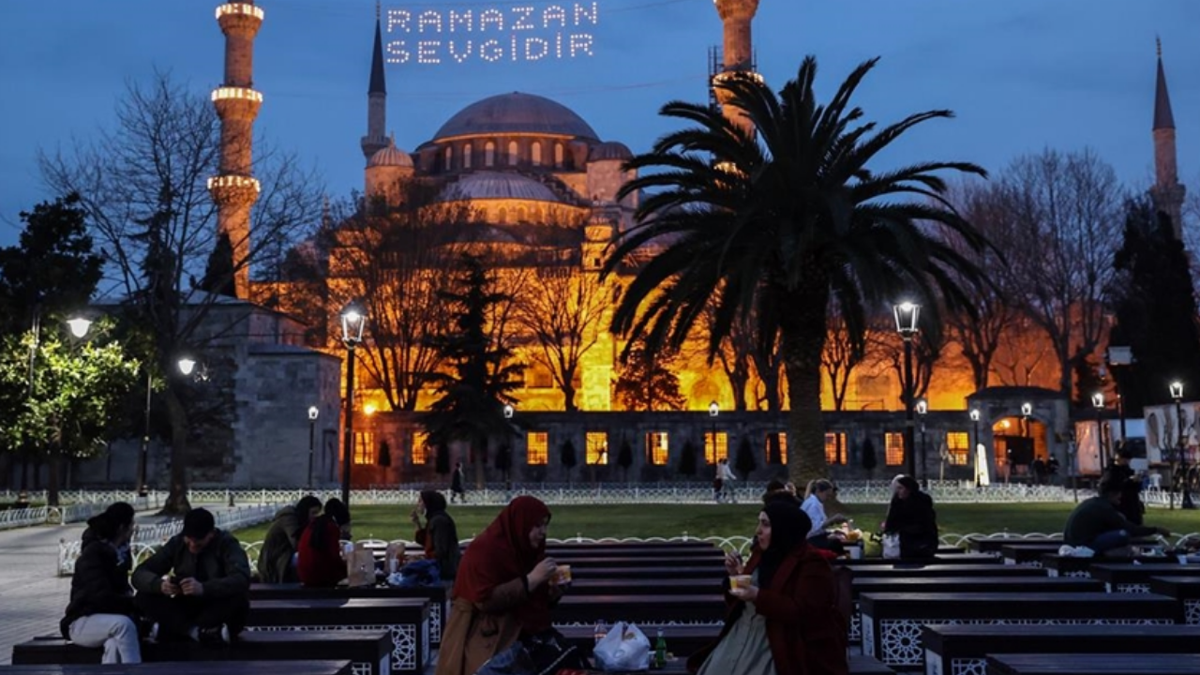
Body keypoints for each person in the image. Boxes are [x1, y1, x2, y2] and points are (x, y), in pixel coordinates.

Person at [688, 501, 848, 675]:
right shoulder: (761, 554)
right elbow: (741, 602)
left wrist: (757, 596)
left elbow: (805, 612)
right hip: (738, 637)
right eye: (759, 523)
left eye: (765, 524)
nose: (758, 530)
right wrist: (735, 576)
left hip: (779, 643)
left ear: (783, 529)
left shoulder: (811, 563)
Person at [436, 496, 569, 675]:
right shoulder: (485, 550)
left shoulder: (525, 550)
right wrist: (531, 580)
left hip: (516, 636)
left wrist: (552, 593)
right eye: (537, 526)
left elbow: (530, 602)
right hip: (480, 636)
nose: (543, 532)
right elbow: (485, 601)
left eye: (545, 525)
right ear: (521, 523)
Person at [132, 508, 251, 644]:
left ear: (211, 534)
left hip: (215, 604)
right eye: (189, 540)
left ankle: (175, 630)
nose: (193, 545)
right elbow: (140, 573)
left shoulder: (227, 544)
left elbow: (241, 578)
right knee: (144, 597)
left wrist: (204, 588)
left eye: (198, 542)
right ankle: (196, 632)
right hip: (185, 604)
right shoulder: (177, 544)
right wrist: (160, 585)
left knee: (238, 600)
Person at [61, 502, 141, 664]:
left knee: (114, 644)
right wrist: (134, 604)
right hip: (81, 621)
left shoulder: (121, 553)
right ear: (121, 528)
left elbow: (122, 591)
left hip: (106, 621)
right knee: (123, 625)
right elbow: (100, 597)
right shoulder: (93, 554)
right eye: (131, 523)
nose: (134, 528)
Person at [1063, 476, 1169, 556]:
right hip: (1083, 545)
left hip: (1074, 541)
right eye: (1119, 493)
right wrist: (1156, 530)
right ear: (1111, 494)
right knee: (1123, 535)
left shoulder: (1094, 503)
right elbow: (1130, 529)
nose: (1121, 496)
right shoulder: (1105, 508)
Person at [256, 494, 322, 583]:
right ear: (305, 511)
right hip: (275, 560)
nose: (315, 517)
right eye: (313, 513)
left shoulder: (302, 521)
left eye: (317, 513)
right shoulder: (289, 519)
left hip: (285, 556)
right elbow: (297, 544)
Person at [297, 498, 352, 588]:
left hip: (305, 574)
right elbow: (334, 557)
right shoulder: (331, 527)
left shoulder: (315, 524)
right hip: (319, 576)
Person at [880, 475, 939, 558]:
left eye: (901, 488)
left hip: (924, 543)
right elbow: (891, 523)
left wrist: (901, 528)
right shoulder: (897, 502)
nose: (898, 491)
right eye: (897, 488)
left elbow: (924, 526)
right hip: (904, 544)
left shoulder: (922, 502)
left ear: (909, 489)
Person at [412, 490, 461, 585]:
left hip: (442, 573)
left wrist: (422, 559)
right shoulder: (434, 519)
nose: (418, 504)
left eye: (420, 501)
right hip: (438, 569)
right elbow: (425, 540)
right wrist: (417, 523)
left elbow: (440, 551)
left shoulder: (439, 521)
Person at [801, 479, 848, 554]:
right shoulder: (813, 505)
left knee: (837, 538)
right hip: (811, 540)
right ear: (818, 491)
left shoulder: (816, 502)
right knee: (835, 543)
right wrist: (832, 520)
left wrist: (831, 530)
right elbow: (815, 528)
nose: (827, 498)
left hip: (814, 537)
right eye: (827, 495)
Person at [1101, 446, 1144, 525]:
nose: (1127, 462)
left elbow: (1135, 488)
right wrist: (1129, 481)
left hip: (1132, 502)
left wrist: (1137, 482)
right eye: (1125, 460)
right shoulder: (1111, 472)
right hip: (1120, 503)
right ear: (1119, 459)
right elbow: (1111, 486)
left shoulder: (1127, 470)